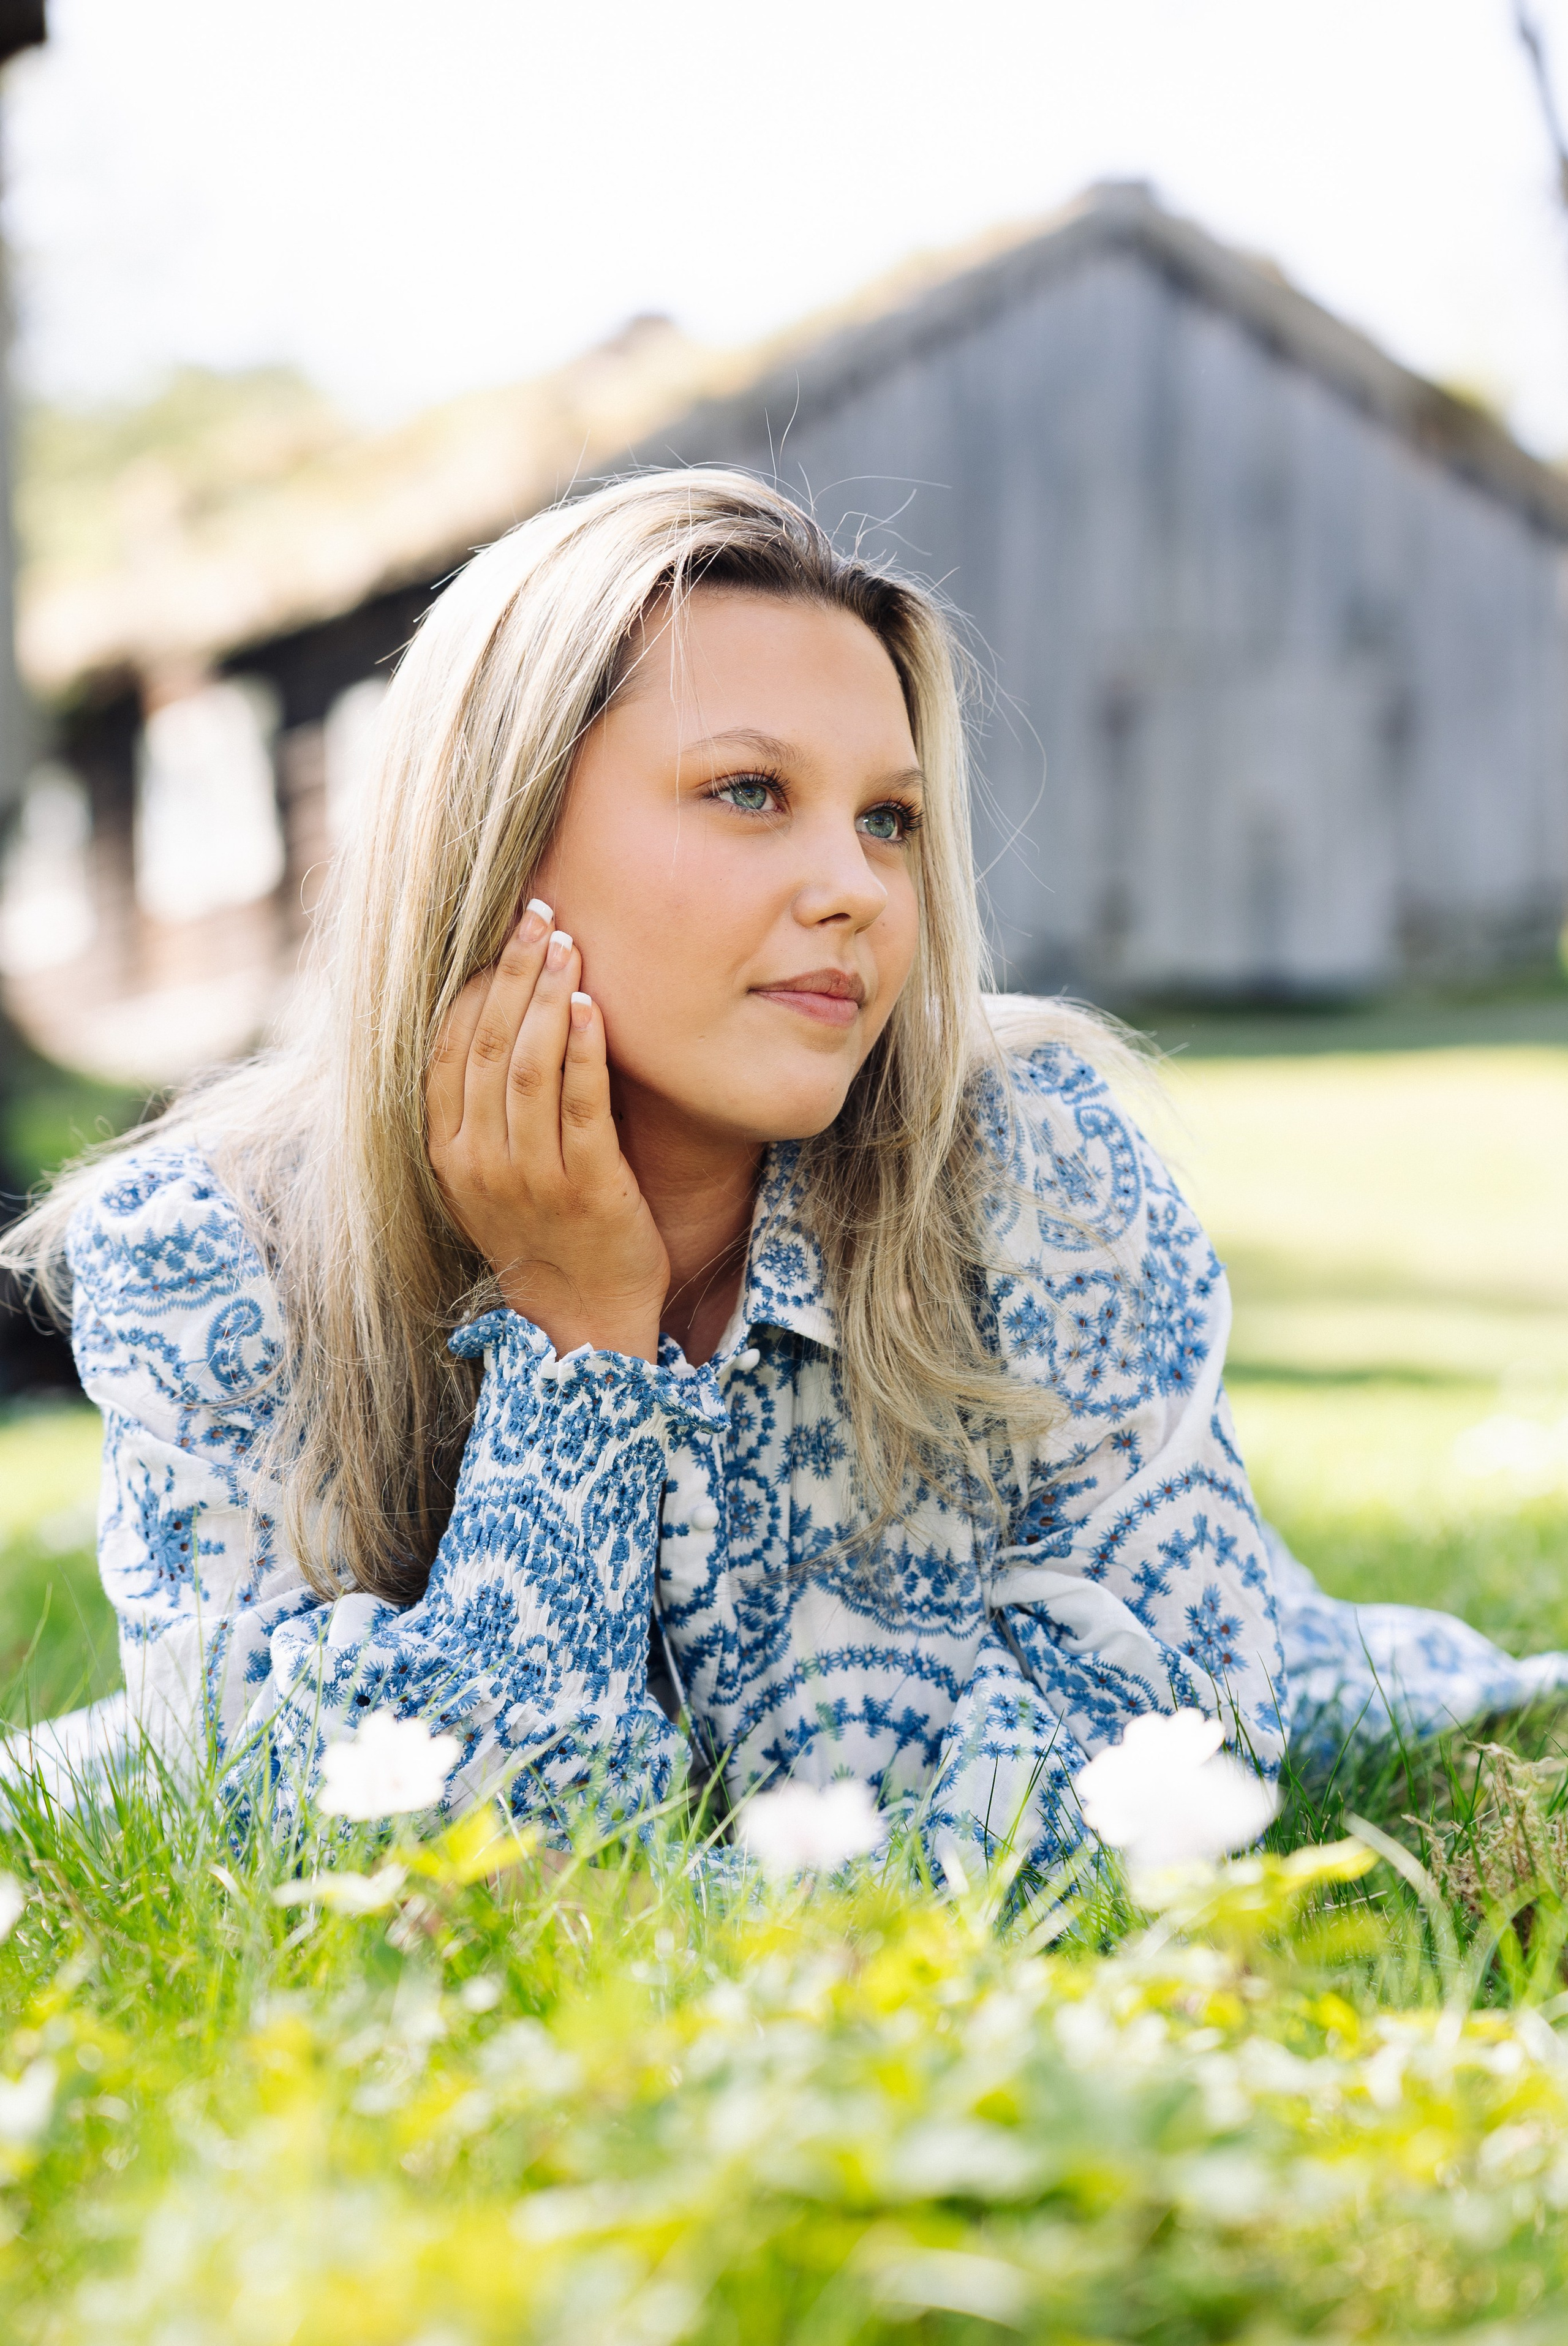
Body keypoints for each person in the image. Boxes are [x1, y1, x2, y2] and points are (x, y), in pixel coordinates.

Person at [4, 472, 1564, 1862]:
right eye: (748, 792)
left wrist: (696, 1897)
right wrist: (571, 1339)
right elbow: (347, 1866)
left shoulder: (1030, 1174)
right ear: (499, 831)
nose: (854, 891)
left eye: (887, 819)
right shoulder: (207, 1257)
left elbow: (1171, 1740)